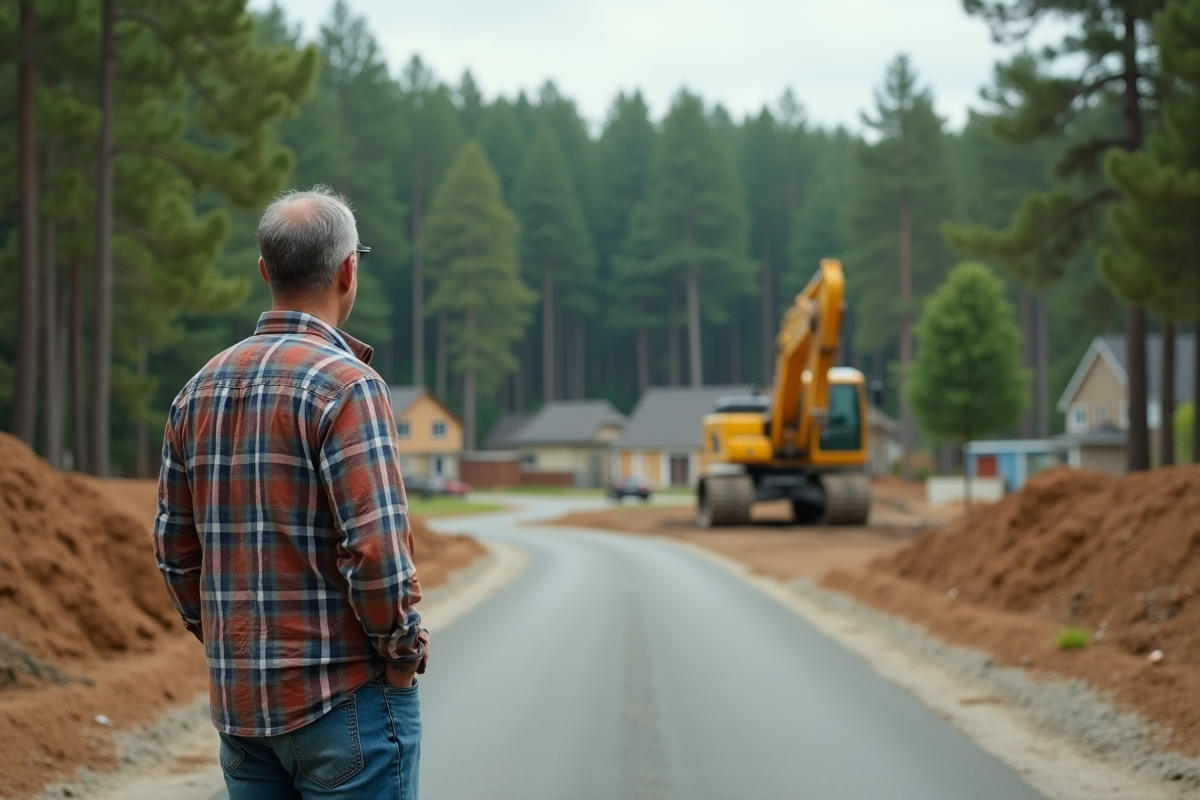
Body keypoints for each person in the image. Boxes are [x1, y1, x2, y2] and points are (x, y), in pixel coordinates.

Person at [153, 186, 428, 799]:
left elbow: (175, 553)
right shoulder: (348, 387)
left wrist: (225, 638)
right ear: (348, 270)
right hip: (345, 702)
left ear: (263, 271)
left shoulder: (196, 392)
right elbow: (378, 554)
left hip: (241, 716)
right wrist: (402, 654)